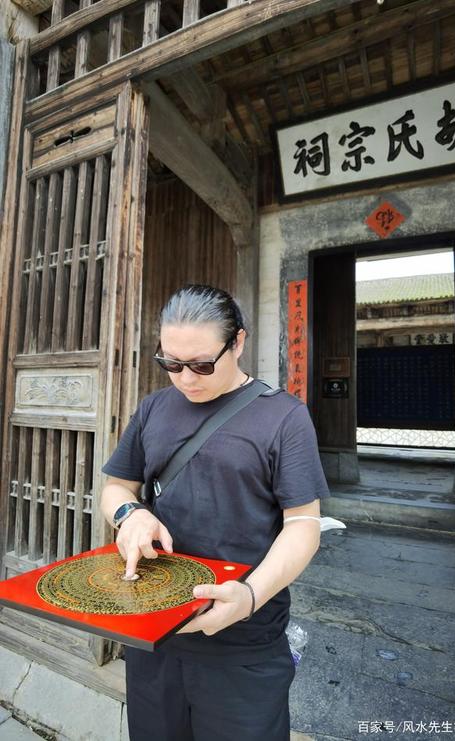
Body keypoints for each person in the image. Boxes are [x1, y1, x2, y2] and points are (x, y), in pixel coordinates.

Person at [100, 284, 330, 741]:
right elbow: (117, 487)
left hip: (244, 641)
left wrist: (249, 597)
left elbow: (303, 524)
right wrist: (131, 514)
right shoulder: (153, 408)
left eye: (202, 364)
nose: (186, 378)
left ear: (238, 343)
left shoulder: (283, 417)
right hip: (154, 626)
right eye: (171, 363)